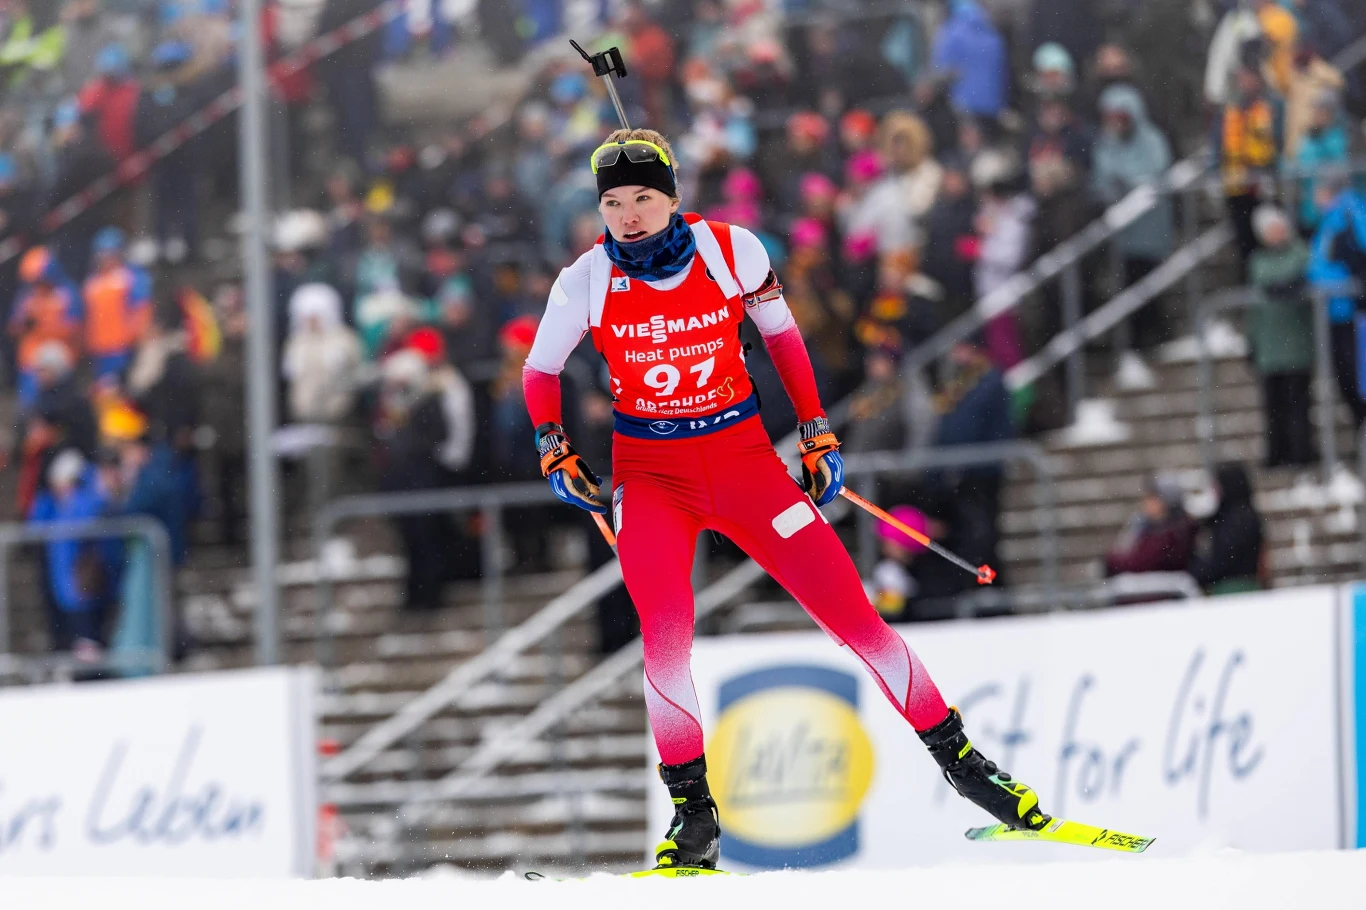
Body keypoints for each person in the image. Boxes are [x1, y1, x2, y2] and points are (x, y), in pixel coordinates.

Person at [523, 127, 1052, 872]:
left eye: (644, 198)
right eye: (612, 203)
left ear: (672, 198)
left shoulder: (731, 251)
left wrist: (817, 433)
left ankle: (967, 769)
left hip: (744, 466)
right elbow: (540, 373)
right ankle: (693, 816)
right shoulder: (584, 280)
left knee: (856, 618)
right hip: (651, 478)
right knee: (666, 641)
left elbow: (785, 339)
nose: (628, 215)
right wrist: (554, 445)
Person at [1091, 85, 1175, 348]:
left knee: (1151, 282)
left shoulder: (1152, 140)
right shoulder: (1106, 144)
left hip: (1151, 227)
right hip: (1124, 232)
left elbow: (1157, 172)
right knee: (1128, 282)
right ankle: (1137, 339)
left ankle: (1158, 332)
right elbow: (1101, 178)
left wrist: (1129, 182)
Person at [1248, 205, 1315, 467]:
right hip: (1270, 346)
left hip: (1297, 344)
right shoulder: (1259, 261)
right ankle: (1277, 453)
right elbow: (1255, 307)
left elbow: (1300, 275)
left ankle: (1301, 453)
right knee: (1273, 406)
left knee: (1297, 404)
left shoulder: (1300, 253)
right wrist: (1251, 340)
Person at [1308, 169, 1366, 427]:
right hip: (1335, 309)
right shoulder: (1331, 218)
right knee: (1345, 376)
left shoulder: (1349, 213)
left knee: (1355, 377)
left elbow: (1357, 255)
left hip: (1351, 309)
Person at [82, 227, 152, 382]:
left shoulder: (131, 278)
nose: (104, 258)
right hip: (98, 349)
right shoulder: (93, 281)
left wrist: (135, 339)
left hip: (124, 349)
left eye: (109, 253)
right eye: (101, 253)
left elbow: (142, 311)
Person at [1189, 462, 1264, 595]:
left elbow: (1223, 562)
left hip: (1234, 591)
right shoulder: (1241, 515)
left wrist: (1196, 573)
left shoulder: (1236, 520)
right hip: (1241, 587)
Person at [1105, 474, 1196, 577]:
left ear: (1165, 502)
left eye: (1152, 498)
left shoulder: (1172, 534)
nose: (1146, 502)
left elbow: (1139, 564)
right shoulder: (1147, 526)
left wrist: (1112, 560)